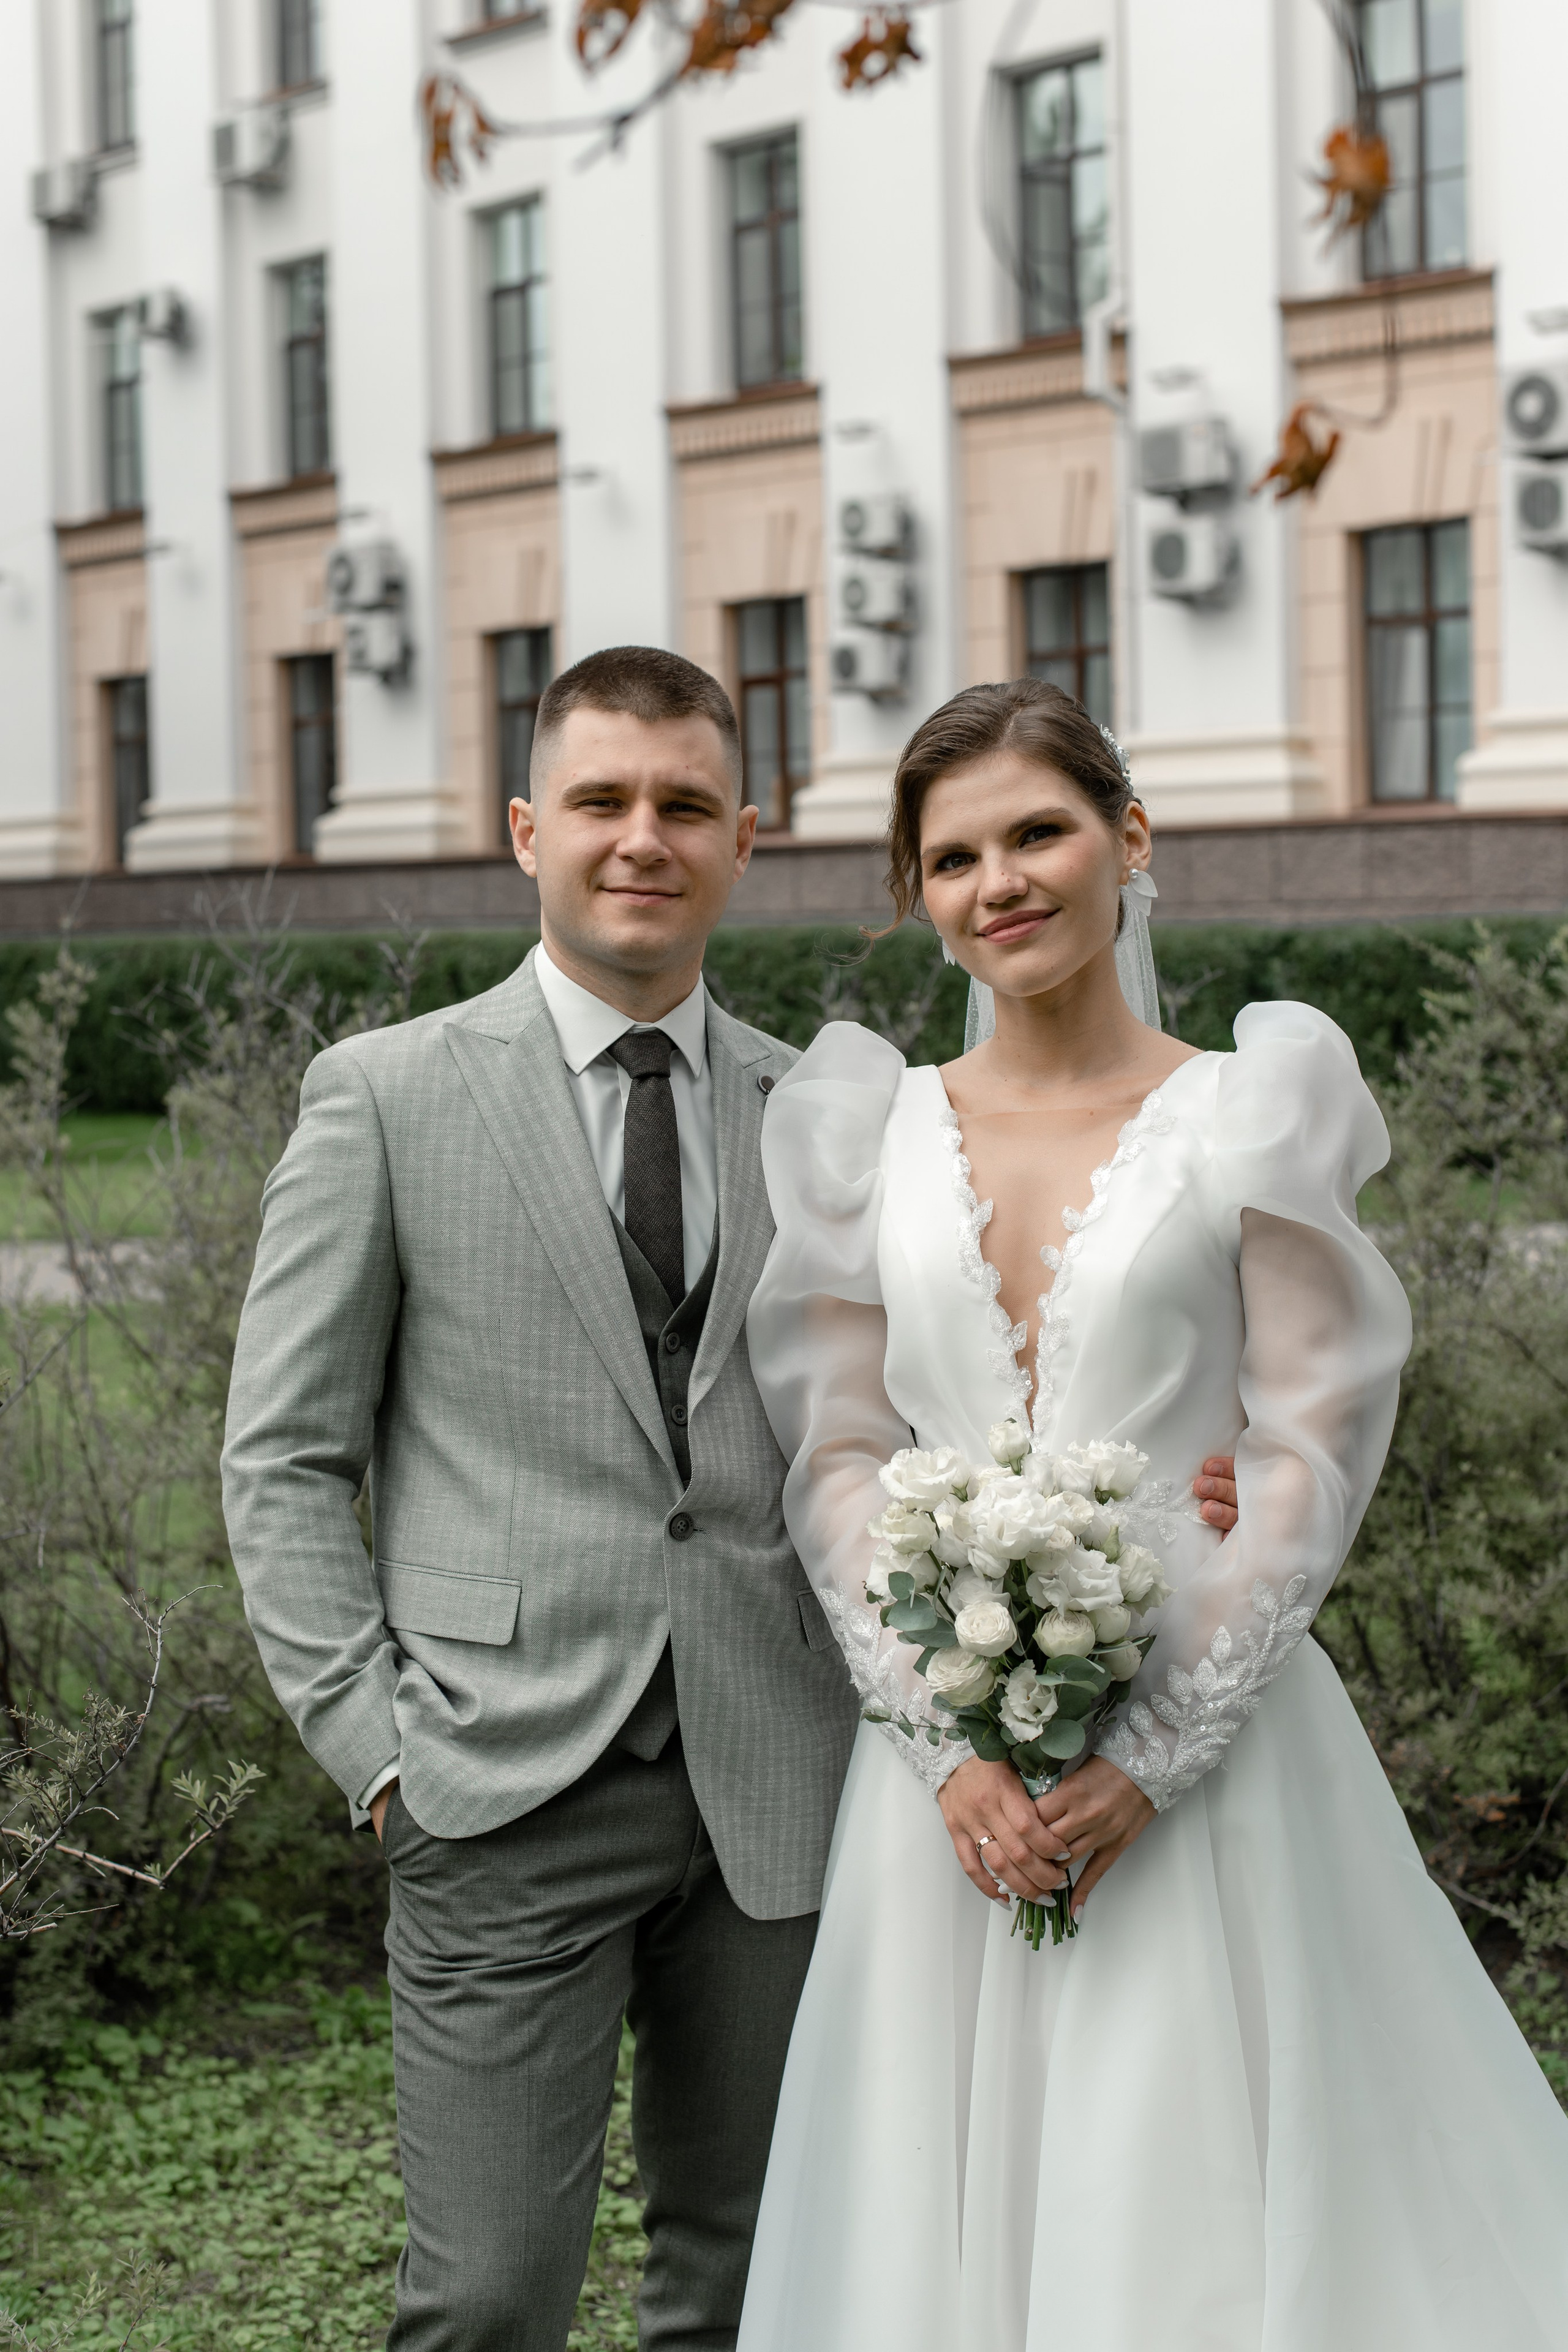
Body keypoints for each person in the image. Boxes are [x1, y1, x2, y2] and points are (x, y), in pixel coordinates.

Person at [221, 647, 1240, 2352]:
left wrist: (1201, 1479)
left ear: (745, 837)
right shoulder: (386, 1096)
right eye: (605, 802)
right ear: (527, 828)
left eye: (685, 804)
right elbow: (283, 1452)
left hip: (785, 1786)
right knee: (482, 2297)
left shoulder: (829, 1117)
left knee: (763, 2282)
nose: (644, 837)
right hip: (493, 1776)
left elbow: (939, 1401)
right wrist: (375, 1747)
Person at [737, 677, 1568, 2352]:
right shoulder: (861, 1137)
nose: (1004, 881)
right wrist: (945, 1747)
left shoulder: (1247, 1109)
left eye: (1039, 830)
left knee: (1207, 2179)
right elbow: (834, 1456)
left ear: (1128, 838)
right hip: (945, 1781)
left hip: (1209, 1738)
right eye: (955, 856)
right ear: (920, 897)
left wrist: (1149, 1756)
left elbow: (1314, 1444)